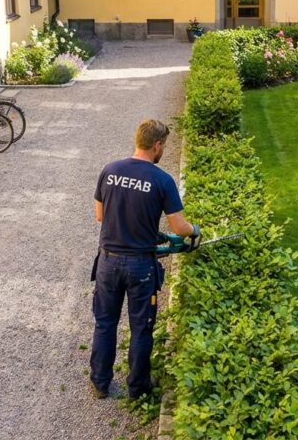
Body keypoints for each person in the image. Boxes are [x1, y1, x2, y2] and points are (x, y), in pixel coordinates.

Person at [90, 119, 199, 400]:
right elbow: (180, 227)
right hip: (140, 267)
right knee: (141, 329)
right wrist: (194, 231)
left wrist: (154, 234)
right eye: (165, 145)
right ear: (157, 145)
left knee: (105, 324)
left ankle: (101, 383)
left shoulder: (110, 171)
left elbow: (101, 216)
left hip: (107, 262)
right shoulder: (162, 180)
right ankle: (137, 387)